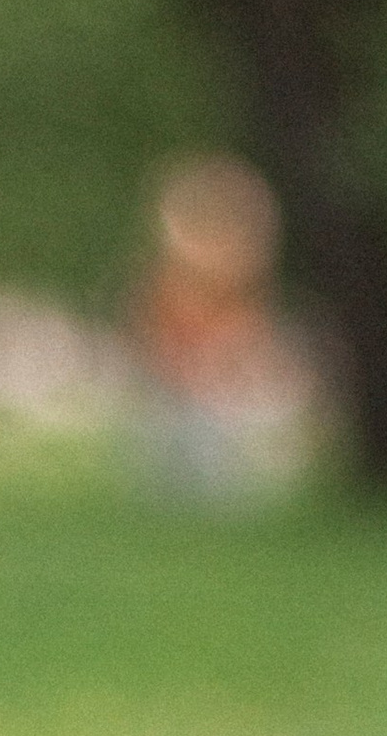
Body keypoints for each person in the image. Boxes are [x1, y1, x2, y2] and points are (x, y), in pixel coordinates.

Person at [132, 155, 317, 505]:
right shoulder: (173, 281)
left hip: (218, 387)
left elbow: (246, 327)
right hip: (187, 386)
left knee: (216, 457)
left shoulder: (233, 275)